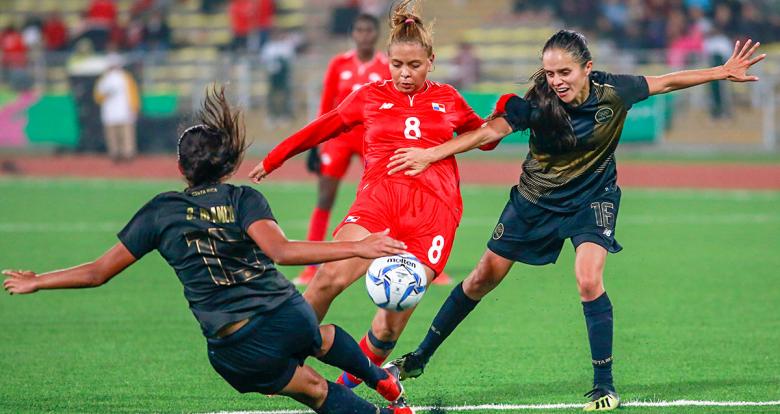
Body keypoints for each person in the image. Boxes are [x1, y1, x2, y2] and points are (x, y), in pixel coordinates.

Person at [385, 30, 765, 412]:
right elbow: (488, 132)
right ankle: (418, 359)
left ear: (587, 68)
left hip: (591, 198)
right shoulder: (536, 103)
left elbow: (667, 81)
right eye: (550, 73)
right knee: (482, 277)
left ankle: (605, 386)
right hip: (535, 201)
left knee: (588, 278)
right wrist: (431, 154)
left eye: (564, 72)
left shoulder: (615, 91)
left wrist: (721, 72)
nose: (556, 81)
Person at [2, 85, 413, 414]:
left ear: (181, 169)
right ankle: (382, 380)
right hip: (288, 317)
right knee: (320, 337)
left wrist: (39, 281)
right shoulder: (242, 199)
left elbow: (97, 273)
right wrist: (360, 248)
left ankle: (380, 400)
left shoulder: (161, 212)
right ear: (228, 165)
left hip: (236, 348)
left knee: (315, 388)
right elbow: (282, 252)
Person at [249, 0, 494, 392]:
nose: (405, 74)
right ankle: (284, 359)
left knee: (389, 321)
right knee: (328, 276)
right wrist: (275, 157)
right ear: (387, 60)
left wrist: (500, 117)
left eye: (414, 65)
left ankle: (341, 389)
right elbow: (323, 126)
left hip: (433, 215)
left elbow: (484, 137)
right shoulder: (369, 96)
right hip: (377, 203)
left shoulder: (449, 99)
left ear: (431, 61)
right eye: (397, 65)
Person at [295, 13, 391, 285]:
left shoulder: (386, 66)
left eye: (369, 30)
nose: (364, 35)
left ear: (376, 33)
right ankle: (311, 267)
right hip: (338, 139)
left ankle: (410, 260)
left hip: (371, 139)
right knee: (325, 197)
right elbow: (327, 105)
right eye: (359, 30)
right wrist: (315, 144)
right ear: (354, 34)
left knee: (389, 195)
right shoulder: (339, 63)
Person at [94, 54, 140, 163]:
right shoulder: (104, 80)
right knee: (113, 136)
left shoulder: (125, 77)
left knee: (126, 135)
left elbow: (132, 93)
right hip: (110, 113)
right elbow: (98, 97)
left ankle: (128, 154)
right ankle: (115, 155)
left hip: (124, 111)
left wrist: (134, 107)